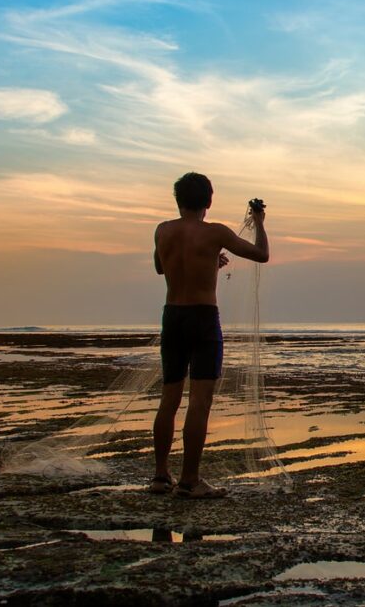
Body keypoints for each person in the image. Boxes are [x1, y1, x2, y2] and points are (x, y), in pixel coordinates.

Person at [149, 172, 269, 498]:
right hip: (202, 318)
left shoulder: (163, 230)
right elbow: (261, 255)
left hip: (172, 316)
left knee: (169, 399)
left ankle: (160, 476)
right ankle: (189, 481)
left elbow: (162, 267)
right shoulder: (214, 232)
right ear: (208, 201)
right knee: (200, 402)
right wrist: (258, 222)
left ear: (178, 200)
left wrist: (206, 263)